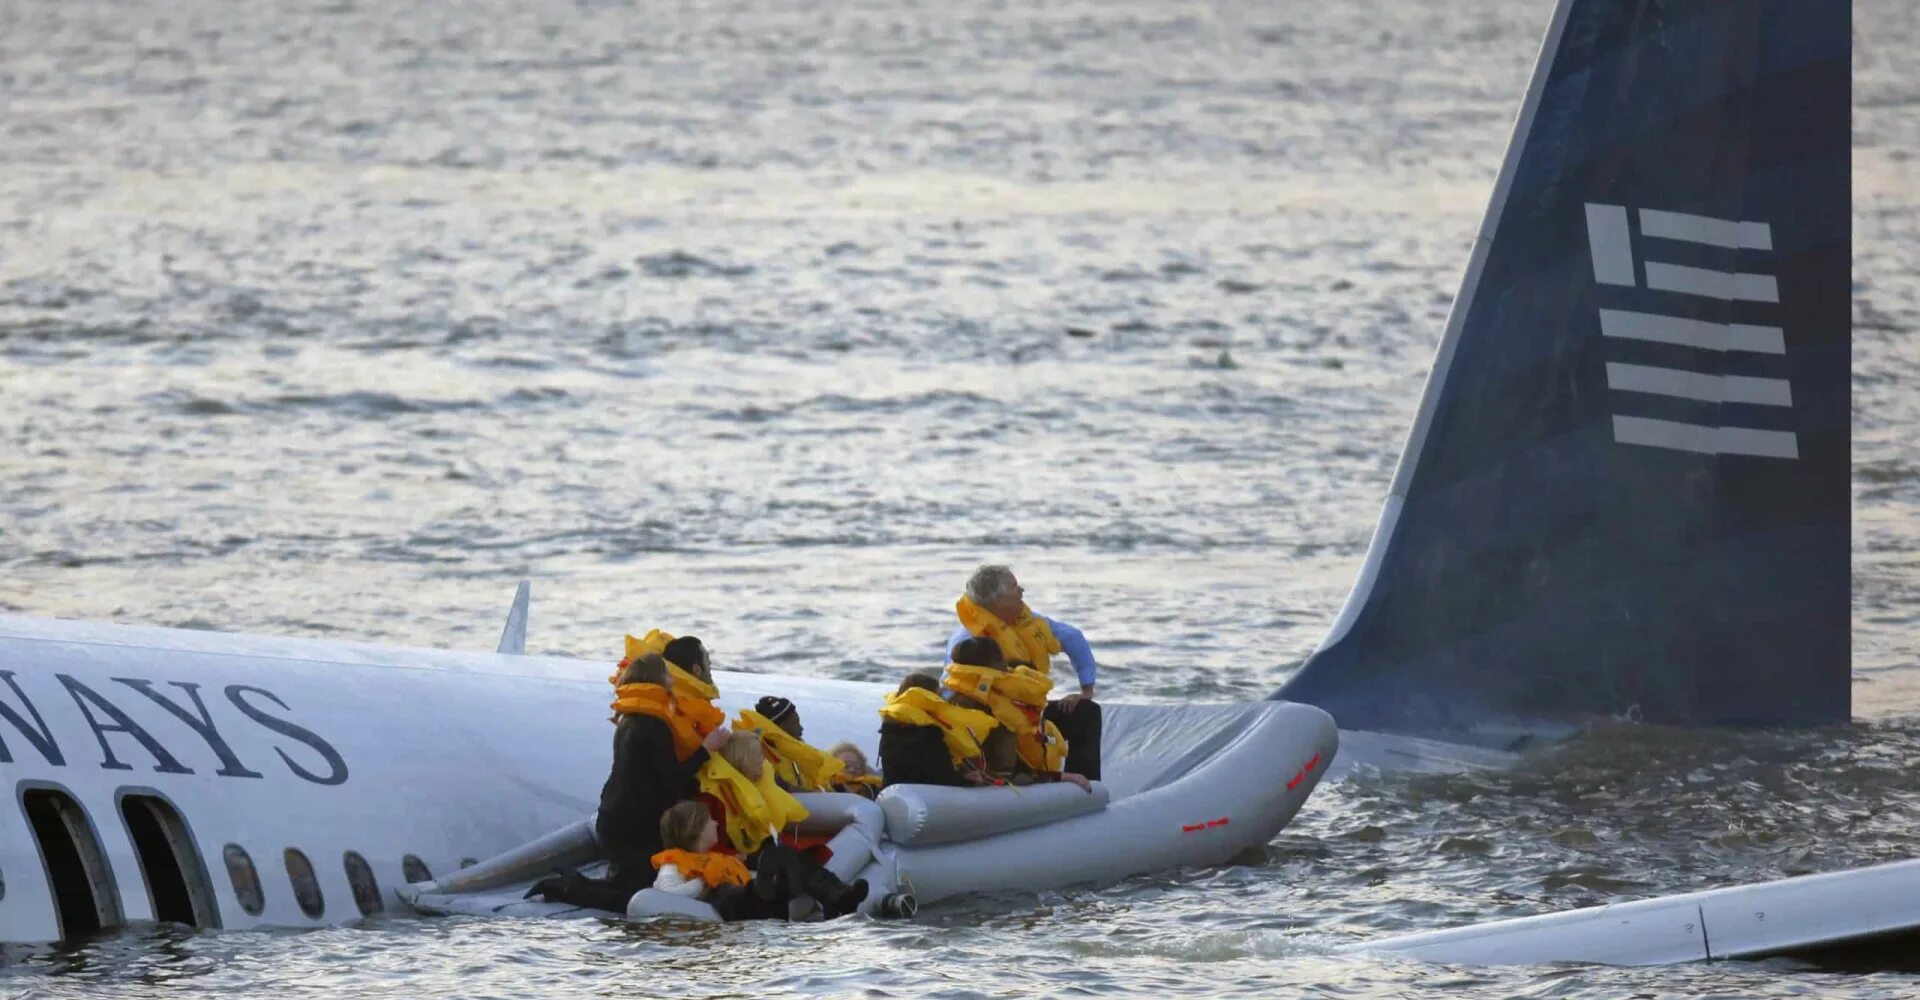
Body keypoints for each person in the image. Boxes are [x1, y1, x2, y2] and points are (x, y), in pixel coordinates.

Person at [530, 654, 731, 912]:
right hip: (635, 826)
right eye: (668, 675)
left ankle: (569, 882)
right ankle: (564, 888)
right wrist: (706, 749)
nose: (672, 680)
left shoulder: (629, 720)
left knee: (625, 885)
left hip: (615, 816)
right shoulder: (655, 725)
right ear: (658, 679)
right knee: (632, 896)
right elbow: (672, 778)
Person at [945, 565, 1103, 779]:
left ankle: (1083, 790)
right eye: (1014, 586)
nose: (1021, 591)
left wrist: (1086, 690)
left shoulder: (1032, 622)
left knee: (1086, 713)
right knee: (1001, 724)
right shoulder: (968, 640)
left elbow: (1074, 638)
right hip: (994, 722)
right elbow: (950, 689)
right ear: (996, 600)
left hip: (1031, 715)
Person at [696, 733, 870, 916]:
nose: (764, 761)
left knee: (788, 856)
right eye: (758, 756)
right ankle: (837, 897)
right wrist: (733, 855)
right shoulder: (714, 797)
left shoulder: (754, 791)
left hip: (756, 856)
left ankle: (838, 896)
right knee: (783, 857)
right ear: (744, 759)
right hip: (732, 863)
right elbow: (704, 842)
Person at [652, 801, 868, 921]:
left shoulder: (715, 859)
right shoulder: (673, 864)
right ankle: (835, 898)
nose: (716, 824)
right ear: (695, 829)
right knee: (776, 856)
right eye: (709, 821)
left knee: (782, 855)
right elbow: (665, 893)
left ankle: (838, 895)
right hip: (737, 905)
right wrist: (704, 881)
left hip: (754, 898)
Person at [943, 639, 1092, 791]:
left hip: (957, 779)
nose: (1008, 671)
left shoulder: (949, 702)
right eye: (1003, 665)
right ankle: (1091, 787)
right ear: (996, 667)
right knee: (1088, 712)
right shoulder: (998, 712)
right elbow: (1002, 772)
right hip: (990, 787)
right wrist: (1058, 777)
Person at [877, 672, 997, 788]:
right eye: (938, 695)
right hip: (925, 797)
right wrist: (965, 779)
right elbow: (942, 776)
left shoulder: (889, 727)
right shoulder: (929, 733)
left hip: (892, 789)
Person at [736, 696, 846, 793]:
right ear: (779, 728)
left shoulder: (796, 749)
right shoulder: (757, 751)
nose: (801, 728)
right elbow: (767, 782)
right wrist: (806, 793)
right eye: (795, 723)